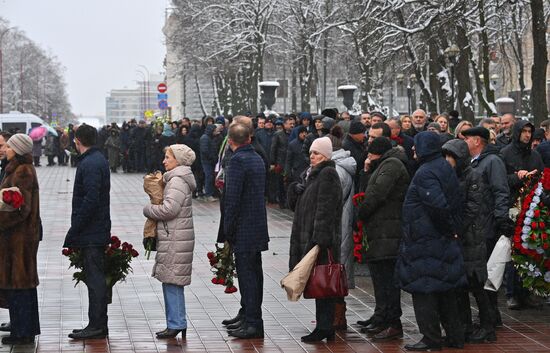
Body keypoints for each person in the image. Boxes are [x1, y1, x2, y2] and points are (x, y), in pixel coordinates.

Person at [396, 131, 467, 351]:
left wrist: (447, 230)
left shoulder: (426, 172)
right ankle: (455, 337)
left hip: (426, 242)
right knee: (445, 290)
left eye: (417, 146)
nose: (413, 150)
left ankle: (431, 338)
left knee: (424, 290)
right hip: (439, 241)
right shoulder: (442, 166)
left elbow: (438, 206)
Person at [287, 136, 343, 342]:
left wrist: (319, 241)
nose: (312, 156)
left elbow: (326, 210)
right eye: (311, 152)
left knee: (324, 283)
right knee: (318, 284)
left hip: (319, 240)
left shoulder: (327, 174)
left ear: (326, 155)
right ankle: (324, 326)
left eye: (317, 153)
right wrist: (295, 190)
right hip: (308, 237)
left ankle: (325, 327)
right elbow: (295, 206)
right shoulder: (311, 175)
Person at [441, 139, 496, 343]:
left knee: (477, 286)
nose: (448, 160)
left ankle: (488, 326)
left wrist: (458, 228)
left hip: (471, 239)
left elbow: (473, 207)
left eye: (451, 156)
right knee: (461, 286)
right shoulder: (453, 176)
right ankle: (465, 325)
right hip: (460, 239)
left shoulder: (473, 176)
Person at [356, 137, 409, 341]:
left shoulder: (392, 165)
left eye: (370, 152)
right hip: (381, 231)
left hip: (388, 231)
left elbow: (375, 195)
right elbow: (368, 190)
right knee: (380, 279)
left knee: (388, 280)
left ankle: (393, 322)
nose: (367, 156)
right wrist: (367, 171)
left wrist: (361, 212)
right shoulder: (384, 165)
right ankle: (382, 318)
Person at [143, 144, 196, 339]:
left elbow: (169, 210)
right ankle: (176, 322)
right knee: (171, 281)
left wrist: (148, 209)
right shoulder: (176, 178)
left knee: (172, 281)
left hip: (175, 237)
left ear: (178, 161)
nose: (164, 161)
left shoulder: (176, 181)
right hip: (175, 235)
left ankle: (176, 323)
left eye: (168, 157)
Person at [64, 125, 111, 340]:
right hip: (95, 228)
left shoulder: (91, 163)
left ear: (77, 140)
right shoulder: (95, 159)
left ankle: (97, 326)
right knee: (94, 278)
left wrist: (76, 227)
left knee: (95, 279)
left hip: (92, 230)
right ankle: (96, 323)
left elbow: (91, 199)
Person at [461, 126, 511, 327]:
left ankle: (490, 319)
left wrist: (500, 218)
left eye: (467, 139)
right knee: (480, 275)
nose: (464, 142)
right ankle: (489, 317)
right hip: (477, 227)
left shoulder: (492, 161)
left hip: (488, 226)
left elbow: (501, 191)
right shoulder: (474, 162)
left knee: (486, 275)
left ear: (477, 141)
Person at [223, 123, 269, 339]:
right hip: (257, 225)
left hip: (243, 228)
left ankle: (253, 322)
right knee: (255, 274)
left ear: (231, 142)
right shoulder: (257, 158)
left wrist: (228, 230)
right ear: (248, 139)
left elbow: (232, 200)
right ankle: (250, 317)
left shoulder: (237, 161)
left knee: (248, 277)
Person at [0, 134, 41, 345]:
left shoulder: (22, 172)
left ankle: (23, 332)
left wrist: (1, 220)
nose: (5, 149)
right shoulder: (15, 169)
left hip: (19, 239)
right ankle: (23, 328)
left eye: (8, 146)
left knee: (20, 287)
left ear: (17, 149)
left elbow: (21, 209)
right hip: (16, 239)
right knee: (20, 286)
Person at [500, 120, 544, 310]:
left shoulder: (535, 155)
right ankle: (512, 293)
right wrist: (517, 176)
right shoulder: (505, 153)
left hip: (531, 206)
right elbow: (501, 180)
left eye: (529, 132)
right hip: (513, 205)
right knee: (513, 251)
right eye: (524, 131)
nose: (527, 135)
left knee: (530, 250)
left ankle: (527, 291)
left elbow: (542, 177)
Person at [328, 126, 356, 329]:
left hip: (337, 228)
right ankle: (336, 316)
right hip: (339, 226)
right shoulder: (337, 167)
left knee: (335, 272)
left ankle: (337, 317)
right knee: (336, 271)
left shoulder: (337, 171)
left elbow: (330, 201)